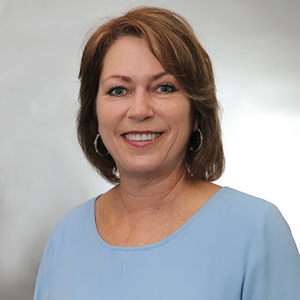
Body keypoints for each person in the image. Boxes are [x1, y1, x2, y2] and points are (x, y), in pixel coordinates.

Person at [34, 6, 300, 300]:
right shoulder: (67, 235)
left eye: (163, 87)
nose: (139, 111)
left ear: (197, 111)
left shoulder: (256, 229)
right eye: (118, 90)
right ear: (94, 115)